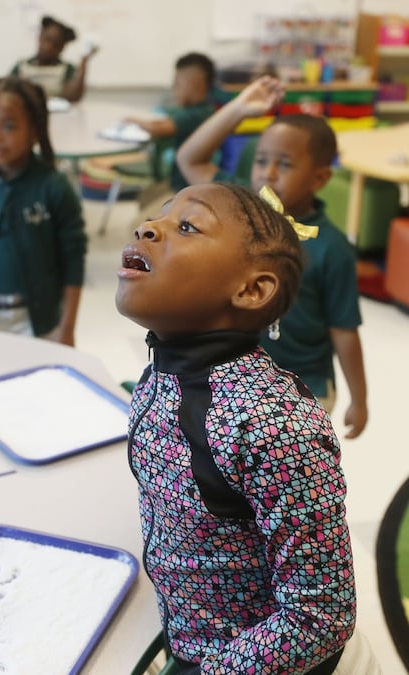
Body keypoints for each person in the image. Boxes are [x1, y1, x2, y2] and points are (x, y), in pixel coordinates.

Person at [116, 182, 381, 674]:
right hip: (189, 640)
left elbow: (320, 615)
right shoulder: (162, 371)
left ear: (252, 290)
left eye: (187, 226)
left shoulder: (274, 425)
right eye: (161, 216)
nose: (146, 226)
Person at [176, 76, 368, 439]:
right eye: (262, 160)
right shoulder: (241, 211)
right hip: (237, 375)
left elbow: (344, 330)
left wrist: (359, 398)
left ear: (320, 177)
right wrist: (239, 108)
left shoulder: (333, 247)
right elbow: (190, 159)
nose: (268, 172)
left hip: (304, 390)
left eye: (285, 164)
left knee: (291, 479)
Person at [0, 76, 87, 347]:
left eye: (9, 126)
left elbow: (74, 260)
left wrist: (67, 329)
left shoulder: (53, 186)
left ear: (34, 130)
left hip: (38, 322)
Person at [124, 52, 216, 195]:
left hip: (185, 187)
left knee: (148, 200)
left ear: (193, 83)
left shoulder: (195, 115)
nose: (174, 88)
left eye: (177, 83)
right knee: (146, 196)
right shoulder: (205, 109)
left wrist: (133, 120)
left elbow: (159, 129)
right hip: (183, 182)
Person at [9, 15, 98, 103]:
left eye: (56, 44)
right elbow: (7, 92)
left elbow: (73, 97)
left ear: (62, 47)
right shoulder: (22, 66)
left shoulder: (66, 69)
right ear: (40, 37)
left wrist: (84, 61)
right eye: (47, 39)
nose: (48, 47)